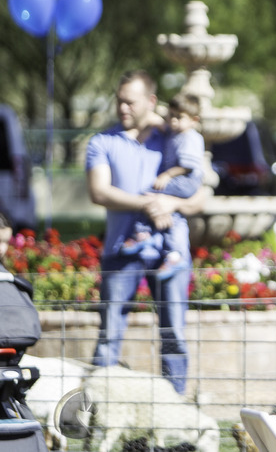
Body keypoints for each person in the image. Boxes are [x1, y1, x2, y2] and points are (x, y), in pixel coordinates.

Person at [86, 70, 206, 394]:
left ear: (150, 102)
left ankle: (174, 413)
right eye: (119, 101)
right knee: (110, 332)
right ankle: (96, 407)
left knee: (174, 335)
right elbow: (99, 192)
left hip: (169, 255)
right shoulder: (102, 142)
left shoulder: (175, 135)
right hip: (121, 251)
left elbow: (201, 195)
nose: (122, 108)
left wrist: (169, 203)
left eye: (130, 102)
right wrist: (146, 204)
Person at [119, 92, 204, 279]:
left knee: (148, 194)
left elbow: (187, 166)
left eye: (178, 117)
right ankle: (175, 253)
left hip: (185, 181)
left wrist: (167, 175)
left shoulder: (189, 137)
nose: (173, 121)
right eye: (170, 116)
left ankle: (142, 233)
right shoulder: (177, 132)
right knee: (176, 218)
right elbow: (160, 120)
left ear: (194, 120)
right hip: (185, 183)